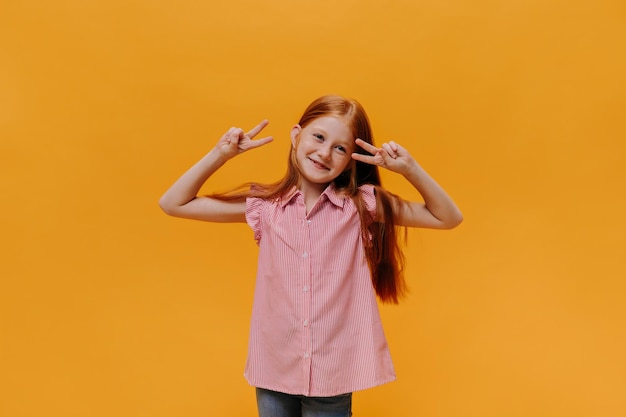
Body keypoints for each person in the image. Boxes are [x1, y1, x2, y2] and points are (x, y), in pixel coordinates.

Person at [159, 95, 462, 417]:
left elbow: (448, 218)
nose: (324, 153)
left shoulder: (361, 206)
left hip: (333, 372)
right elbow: (173, 203)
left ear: (351, 160)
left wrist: (410, 169)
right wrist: (220, 155)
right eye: (318, 137)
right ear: (295, 136)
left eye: (340, 148)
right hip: (275, 366)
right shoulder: (265, 207)